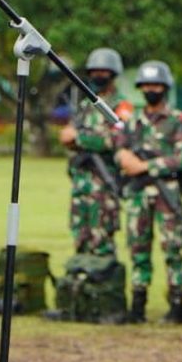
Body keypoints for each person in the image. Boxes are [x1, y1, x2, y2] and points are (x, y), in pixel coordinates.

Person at [115, 59, 182, 324]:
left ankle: (177, 305)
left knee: (172, 248)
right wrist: (125, 159)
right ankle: (137, 306)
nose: (151, 89)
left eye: (156, 85)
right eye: (146, 85)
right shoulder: (132, 121)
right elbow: (119, 149)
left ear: (165, 88)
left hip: (166, 195)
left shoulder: (177, 120)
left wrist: (145, 165)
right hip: (138, 194)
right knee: (138, 248)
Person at [59, 47, 134, 257]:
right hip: (81, 183)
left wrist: (79, 138)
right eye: (94, 71)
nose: (97, 76)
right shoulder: (84, 106)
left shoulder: (121, 107)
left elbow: (119, 138)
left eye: (103, 72)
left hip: (104, 183)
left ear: (113, 74)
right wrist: (68, 138)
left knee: (101, 240)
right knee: (79, 237)